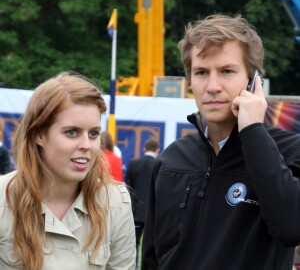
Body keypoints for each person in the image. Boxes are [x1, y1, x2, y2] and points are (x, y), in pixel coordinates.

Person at [142, 14, 300, 270]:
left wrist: (253, 132)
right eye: (202, 73)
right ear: (190, 81)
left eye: (226, 71)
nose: (212, 86)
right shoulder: (171, 159)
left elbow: (292, 227)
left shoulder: (290, 151)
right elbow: (151, 258)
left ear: (253, 81)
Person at [0, 71, 136, 270]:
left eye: (93, 133)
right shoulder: (3, 198)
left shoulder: (115, 201)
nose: (86, 145)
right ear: (39, 135)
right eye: (72, 132)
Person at [125, 138, 160, 268]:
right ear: (157, 150)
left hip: (135, 212)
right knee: (151, 248)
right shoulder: (159, 164)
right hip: (153, 214)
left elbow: (128, 188)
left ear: (144, 149)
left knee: (132, 245)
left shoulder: (134, 163)